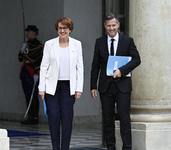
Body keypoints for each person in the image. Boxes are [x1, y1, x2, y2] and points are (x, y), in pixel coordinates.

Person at [90, 13, 141, 150]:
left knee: (124, 119)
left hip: (123, 86)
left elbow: (137, 59)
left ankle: (127, 148)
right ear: (105, 26)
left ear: (118, 25)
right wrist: (93, 86)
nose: (111, 28)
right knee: (108, 120)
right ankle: (111, 147)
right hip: (105, 87)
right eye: (108, 26)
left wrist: (121, 70)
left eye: (114, 25)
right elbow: (95, 65)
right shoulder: (99, 42)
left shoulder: (127, 41)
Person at [38, 17, 84, 150]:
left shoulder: (77, 44)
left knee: (67, 118)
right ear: (57, 29)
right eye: (60, 28)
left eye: (65, 28)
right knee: (53, 116)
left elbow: (79, 68)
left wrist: (78, 88)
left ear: (70, 29)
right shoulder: (49, 44)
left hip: (69, 86)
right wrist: (42, 88)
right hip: (52, 86)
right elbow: (44, 66)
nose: (62, 31)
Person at [18, 25, 43, 125]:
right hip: (25, 70)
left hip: (33, 71)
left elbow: (41, 60)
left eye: (29, 31)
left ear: (34, 33)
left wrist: (37, 72)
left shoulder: (39, 44)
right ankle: (30, 116)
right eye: (27, 31)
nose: (27, 33)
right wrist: (22, 50)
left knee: (34, 94)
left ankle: (35, 117)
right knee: (27, 94)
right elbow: (20, 58)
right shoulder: (26, 44)